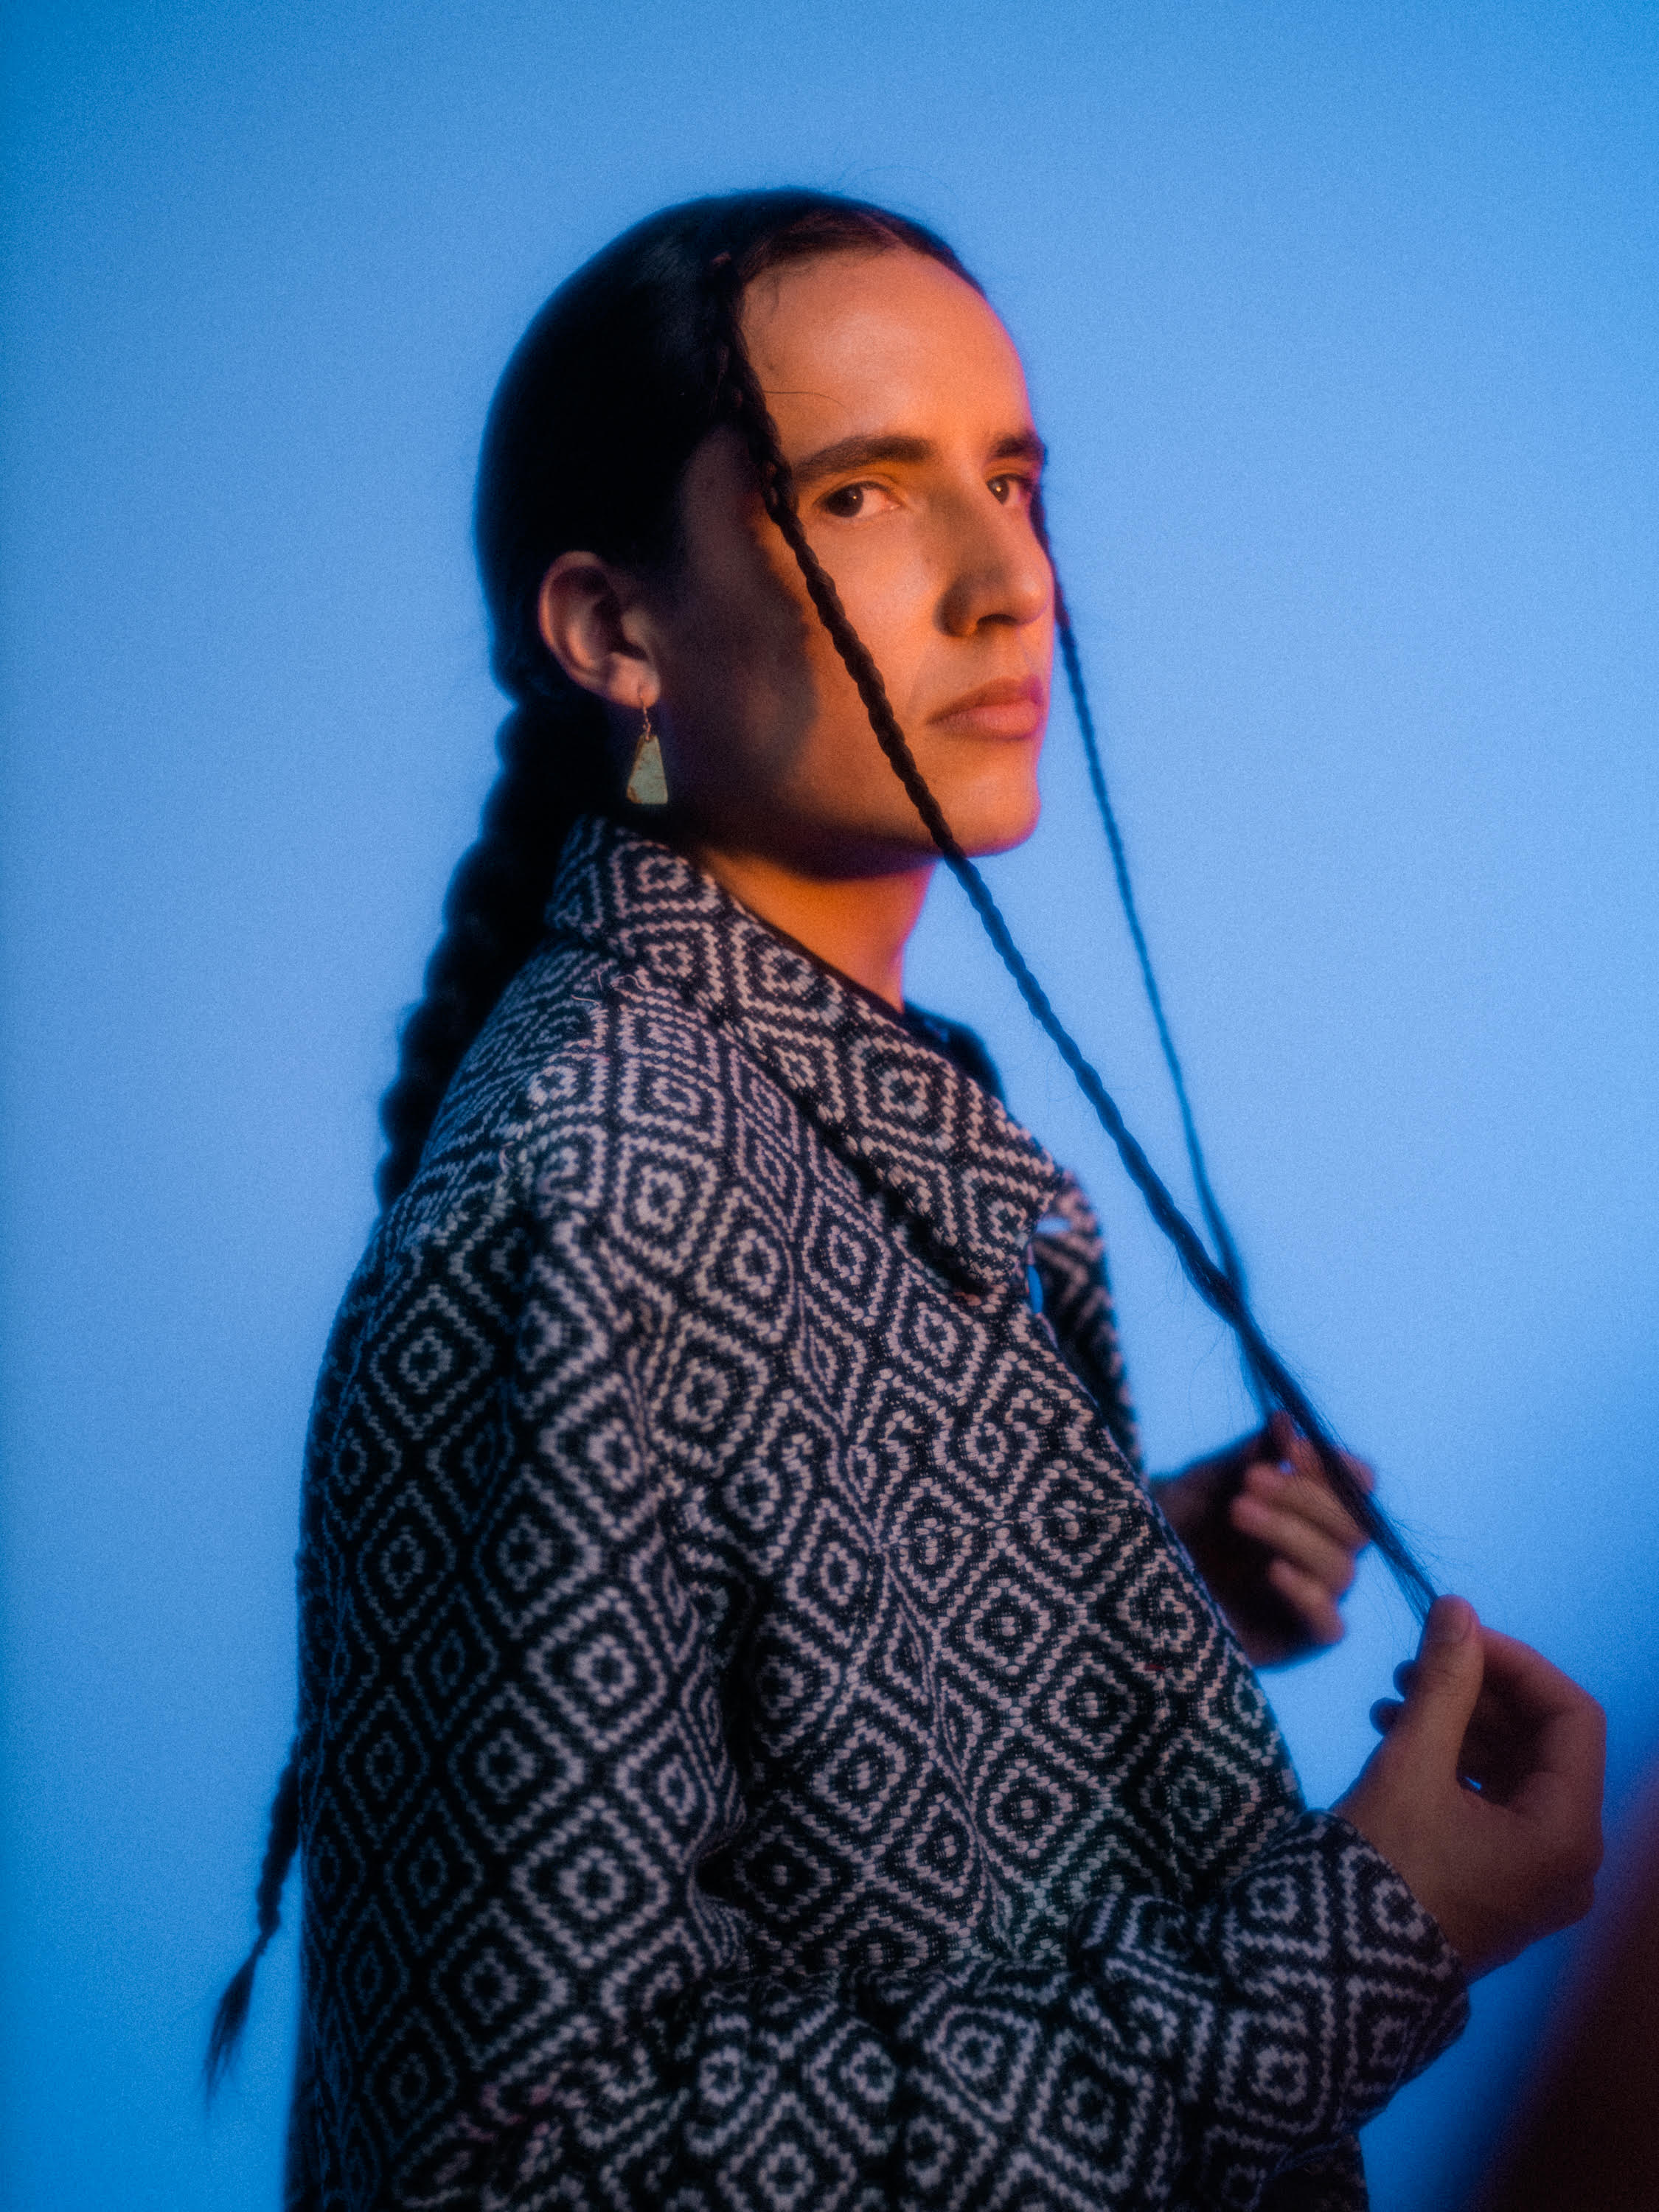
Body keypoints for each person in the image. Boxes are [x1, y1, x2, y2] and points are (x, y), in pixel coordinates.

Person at [212, 190, 1605, 2211]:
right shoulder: (599, 1198)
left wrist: (1096, 1599)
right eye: (857, 496)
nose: (1001, 583)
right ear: (613, 631)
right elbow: (523, 2171)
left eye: (1011, 480)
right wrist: (1365, 1942)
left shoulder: (826, 1103)